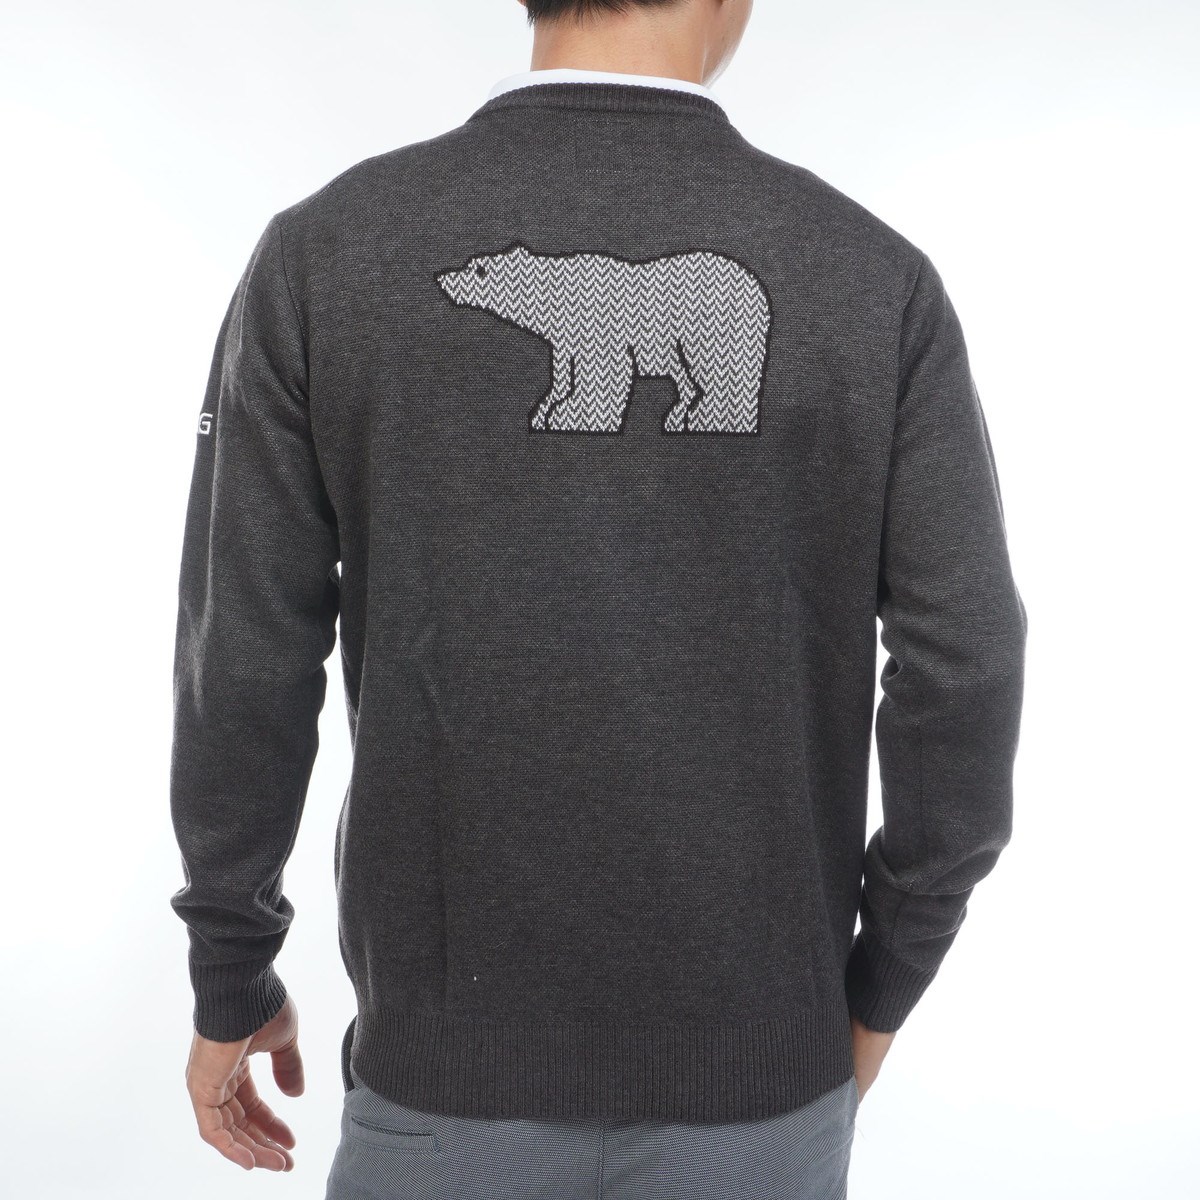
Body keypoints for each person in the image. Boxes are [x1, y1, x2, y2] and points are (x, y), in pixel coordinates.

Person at [168, 0, 1027, 1196]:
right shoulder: (873, 278)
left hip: (442, 1091)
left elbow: (244, 660)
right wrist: (878, 992)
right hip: (762, 1094)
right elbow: (968, 665)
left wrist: (231, 967)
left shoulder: (325, 255)